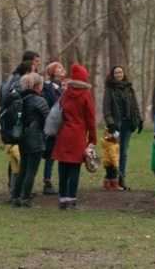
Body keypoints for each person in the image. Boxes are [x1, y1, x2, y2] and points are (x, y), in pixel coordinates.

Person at [52, 63, 97, 210]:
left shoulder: (65, 94)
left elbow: (61, 112)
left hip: (64, 133)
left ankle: (62, 198)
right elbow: (91, 119)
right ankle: (72, 198)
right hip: (78, 134)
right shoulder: (86, 95)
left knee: (63, 167)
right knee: (74, 169)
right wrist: (92, 138)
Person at [11, 72, 50, 208]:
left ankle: (16, 198)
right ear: (38, 86)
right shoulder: (39, 100)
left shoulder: (21, 99)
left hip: (23, 139)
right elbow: (48, 120)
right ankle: (26, 199)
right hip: (36, 140)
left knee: (22, 170)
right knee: (31, 172)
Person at [103, 65, 143, 190]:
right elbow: (107, 109)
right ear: (113, 75)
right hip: (115, 126)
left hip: (127, 125)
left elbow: (135, 106)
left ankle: (121, 178)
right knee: (113, 153)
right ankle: (111, 178)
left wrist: (140, 119)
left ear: (123, 74)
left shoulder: (129, 89)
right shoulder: (109, 90)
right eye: (116, 73)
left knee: (124, 152)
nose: (119, 75)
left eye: (120, 72)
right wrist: (111, 124)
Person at [41, 62, 65, 195]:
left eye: (62, 68)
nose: (62, 70)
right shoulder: (48, 88)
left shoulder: (65, 86)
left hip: (63, 126)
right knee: (49, 154)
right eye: (58, 68)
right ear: (52, 72)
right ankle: (47, 182)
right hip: (51, 125)